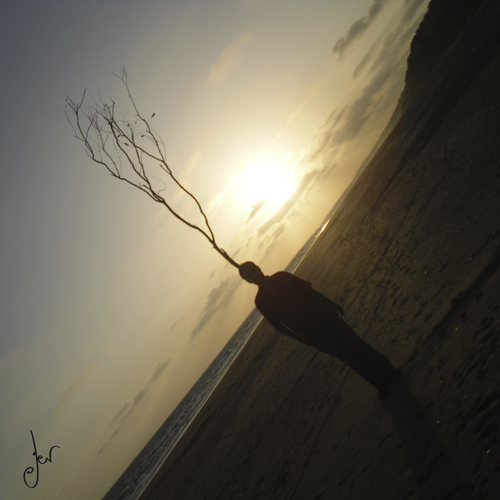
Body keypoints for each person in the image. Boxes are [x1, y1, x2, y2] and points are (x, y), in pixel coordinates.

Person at [238, 261, 400, 396]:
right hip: (312, 333)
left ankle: (389, 372)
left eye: (253, 270)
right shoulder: (260, 301)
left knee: (356, 343)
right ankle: (380, 383)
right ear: (248, 281)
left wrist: (330, 303)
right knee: (347, 356)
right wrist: (298, 336)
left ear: (259, 267)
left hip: (325, 316)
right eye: (249, 275)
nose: (254, 275)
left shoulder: (282, 276)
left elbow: (309, 291)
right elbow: (277, 325)